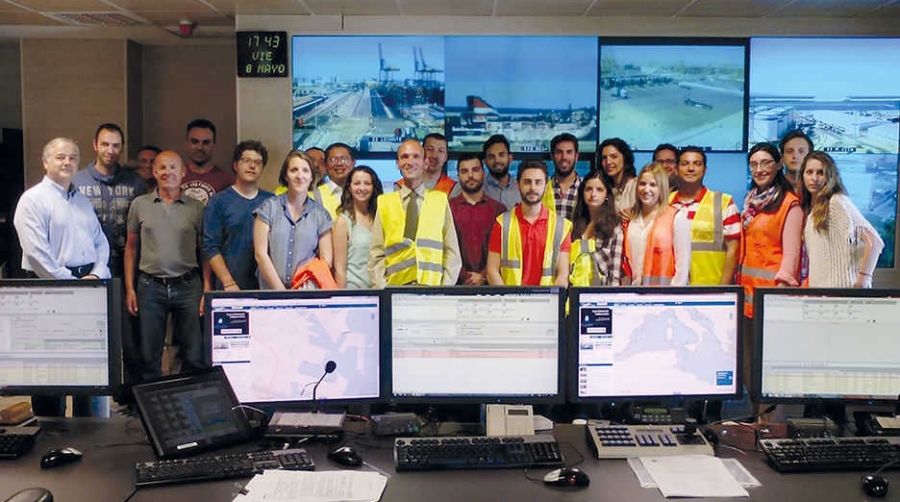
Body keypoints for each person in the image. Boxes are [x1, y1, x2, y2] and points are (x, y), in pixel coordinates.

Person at [14, 137, 111, 417]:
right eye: (60, 157)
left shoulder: (81, 201)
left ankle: (90, 430)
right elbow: (36, 254)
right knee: (50, 369)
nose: (67, 162)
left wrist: (96, 275)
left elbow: (100, 243)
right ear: (45, 162)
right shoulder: (32, 200)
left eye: (72, 157)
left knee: (88, 366)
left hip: (89, 285)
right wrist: (71, 286)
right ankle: (49, 430)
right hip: (49, 289)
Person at [124, 151, 208, 382]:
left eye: (173, 168)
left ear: (182, 173)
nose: (167, 172)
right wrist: (130, 289)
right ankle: (150, 410)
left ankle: (190, 405)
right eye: (162, 168)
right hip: (150, 286)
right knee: (148, 354)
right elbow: (131, 248)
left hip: (188, 285)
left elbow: (205, 252)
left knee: (193, 352)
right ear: (154, 172)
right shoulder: (139, 205)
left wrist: (206, 290)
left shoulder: (196, 208)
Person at [368, 139, 461, 287]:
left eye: (416, 156)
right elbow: (376, 254)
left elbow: (452, 253)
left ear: (425, 163)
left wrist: (444, 291)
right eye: (404, 157)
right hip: (395, 291)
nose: (410, 162)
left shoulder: (440, 200)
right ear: (397, 163)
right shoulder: (385, 202)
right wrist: (383, 290)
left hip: (432, 292)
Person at [73, 123, 146, 278]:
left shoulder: (135, 182)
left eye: (116, 146)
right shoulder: (76, 181)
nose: (110, 151)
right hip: (88, 262)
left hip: (126, 262)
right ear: (95, 145)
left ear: (122, 147)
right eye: (105, 144)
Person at [800, 151, 884, 288]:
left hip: (844, 294)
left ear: (830, 176)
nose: (814, 178)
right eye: (809, 172)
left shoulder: (836, 202)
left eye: (820, 173)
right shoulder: (814, 210)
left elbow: (874, 241)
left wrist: (864, 278)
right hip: (822, 296)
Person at [738, 143, 802, 317]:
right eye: (754, 164)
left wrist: (778, 298)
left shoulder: (789, 204)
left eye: (766, 163)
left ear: (779, 164)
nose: (759, 170)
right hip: (747, 294)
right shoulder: (751, 202)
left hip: (770, 297)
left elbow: (791, 257)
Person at [254, 150, 333, 290]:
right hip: (271, 292)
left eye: (305, 171)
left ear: (311, 177)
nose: (299, 175)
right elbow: (260, 254)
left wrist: (303, 286)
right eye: (294, 170)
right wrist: (281, 292)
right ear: (286, 175)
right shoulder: (269, 207)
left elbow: (326, 261)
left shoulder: (321, 214)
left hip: (306, 293)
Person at [486, 159, 572, 286]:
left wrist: (551, 303)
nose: (533, 188)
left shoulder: (561, 226)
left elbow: (563, 275)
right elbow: (492, 271)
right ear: (518, 184)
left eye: (538, 182)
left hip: (547, 303)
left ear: (546, 185)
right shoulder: (502, 223)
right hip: (511, 303)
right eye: (527, 182)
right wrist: (508, 301)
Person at [203, 140, 274, 291]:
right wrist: (228, 282)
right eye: (246, 161)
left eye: (258, 162)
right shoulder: (218, 202)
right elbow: (210, 247)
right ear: (235, 165)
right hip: (230, 287)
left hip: (265, 287)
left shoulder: (271, 201)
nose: (252, 166)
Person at [669, 146, 741, 285]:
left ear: (704, 170)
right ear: (676, 169)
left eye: (697, 164)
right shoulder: (665, 203)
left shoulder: (724, 202)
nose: (691, 168)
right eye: (685, 164)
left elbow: (733, 250)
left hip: (711, 290)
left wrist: (723, 291)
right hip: (671, 290)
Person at [624, 162, 690, 286]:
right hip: (633, 296)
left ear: (662, 188)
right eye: (642, 184)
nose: (646, 189)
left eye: (653, 185)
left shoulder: (677, 217)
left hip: (665, 298)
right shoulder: (630, 219)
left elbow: (682, 269)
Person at [449, 153, 506, 286]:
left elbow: (504, 249)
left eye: (475, 170)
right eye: (464, 171)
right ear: (458, 176)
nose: (470, 176)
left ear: (483, 173)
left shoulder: (498, 210)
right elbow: (446, 250)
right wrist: (465, 276)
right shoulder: (448, 209)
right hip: (456, 285)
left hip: (491, 286)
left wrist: (484, 275)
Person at [569, 170, 626, 286]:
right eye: (588, 189)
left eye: (599, 190)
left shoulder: (615, 230)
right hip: (573, 293)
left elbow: (614, 276)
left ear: (606, 195)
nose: (593, 194)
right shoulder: (573, 225)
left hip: (599, 295)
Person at [333, 165, 383, 289]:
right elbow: (340, 270)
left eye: (367, 183)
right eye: (357, 183)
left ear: (373, 187)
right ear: (349, 187)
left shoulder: (382, 217)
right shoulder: (343, 222)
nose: (362, 188)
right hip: (355, 293)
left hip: (381, 291)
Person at [181, 118, 235, 205]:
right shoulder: (174, 178)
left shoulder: (228, 180)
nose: (200, 147)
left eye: (206, 142)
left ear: (213, 145)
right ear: (187, 143)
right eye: (194, 142)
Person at [311, 142, 356, 219]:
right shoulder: (313, 196)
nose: (339, 163)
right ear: (325, 165)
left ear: (353, 163)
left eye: (344, 159)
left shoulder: (362, 193)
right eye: (333, 159)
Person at [599, 137, 637, 219]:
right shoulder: (604, 188)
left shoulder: (636, 186)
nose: (608, 162)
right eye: (604, 158)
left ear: (625, 158)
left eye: (614, 157)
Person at [481, 134, 521, 210]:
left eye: (501, 155)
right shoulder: (479, 189)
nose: (497, 160)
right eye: (491, 157)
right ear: (485, 162)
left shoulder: (521, 188)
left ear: (510, 158)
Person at [550, 133, 582, 221]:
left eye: (569, 152)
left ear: (576, 156)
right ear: (552, 156)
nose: (564, 157)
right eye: (559, 152)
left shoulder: (587, 188)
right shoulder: (543, 188)